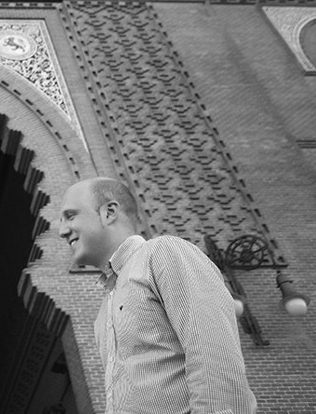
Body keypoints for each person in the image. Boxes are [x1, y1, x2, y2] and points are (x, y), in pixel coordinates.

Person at [58, 177, 256, 414]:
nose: (62, 231)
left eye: (71, 216)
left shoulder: (162, 254)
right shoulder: (104, 311)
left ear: (109, 212)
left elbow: (214, 354)